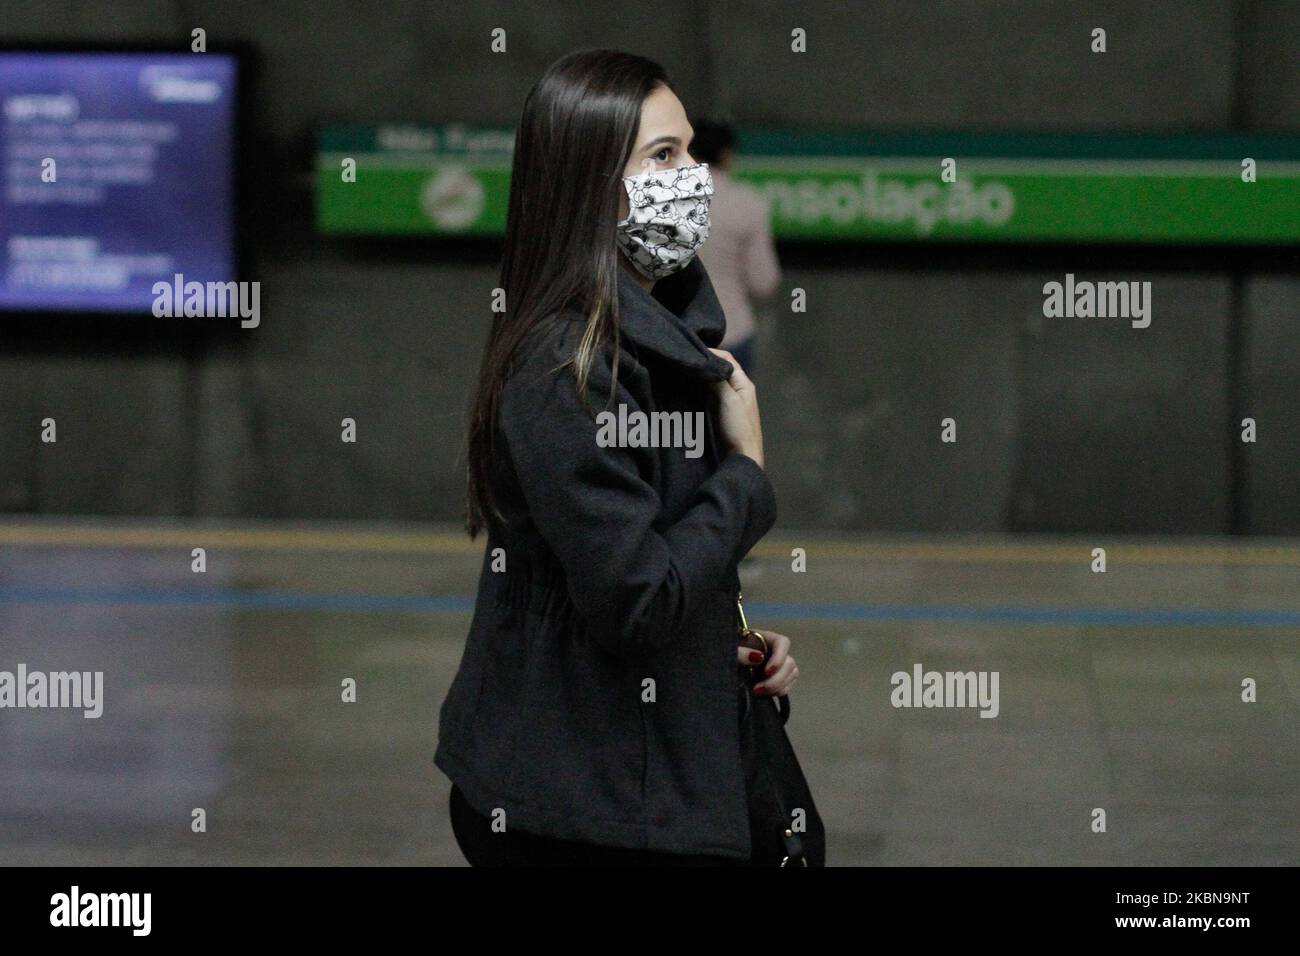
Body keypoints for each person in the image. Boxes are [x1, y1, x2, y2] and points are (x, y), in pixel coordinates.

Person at [434, 48, 800, 866]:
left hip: (622, 771)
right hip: (580, 801)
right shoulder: (566, 367)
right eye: (663, 156)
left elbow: (643, 562)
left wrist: (726, 637)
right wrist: (745, 474)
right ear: (589, 183)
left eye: (691, 151)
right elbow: (636, 599)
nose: (693, 176)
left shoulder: (648, 335)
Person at [690, 119, 782, 377]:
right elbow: (764, 282)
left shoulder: (669, 202)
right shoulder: (750, 205)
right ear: (727, 155)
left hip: (680, 333)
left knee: (681, 418)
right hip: (734, 331)